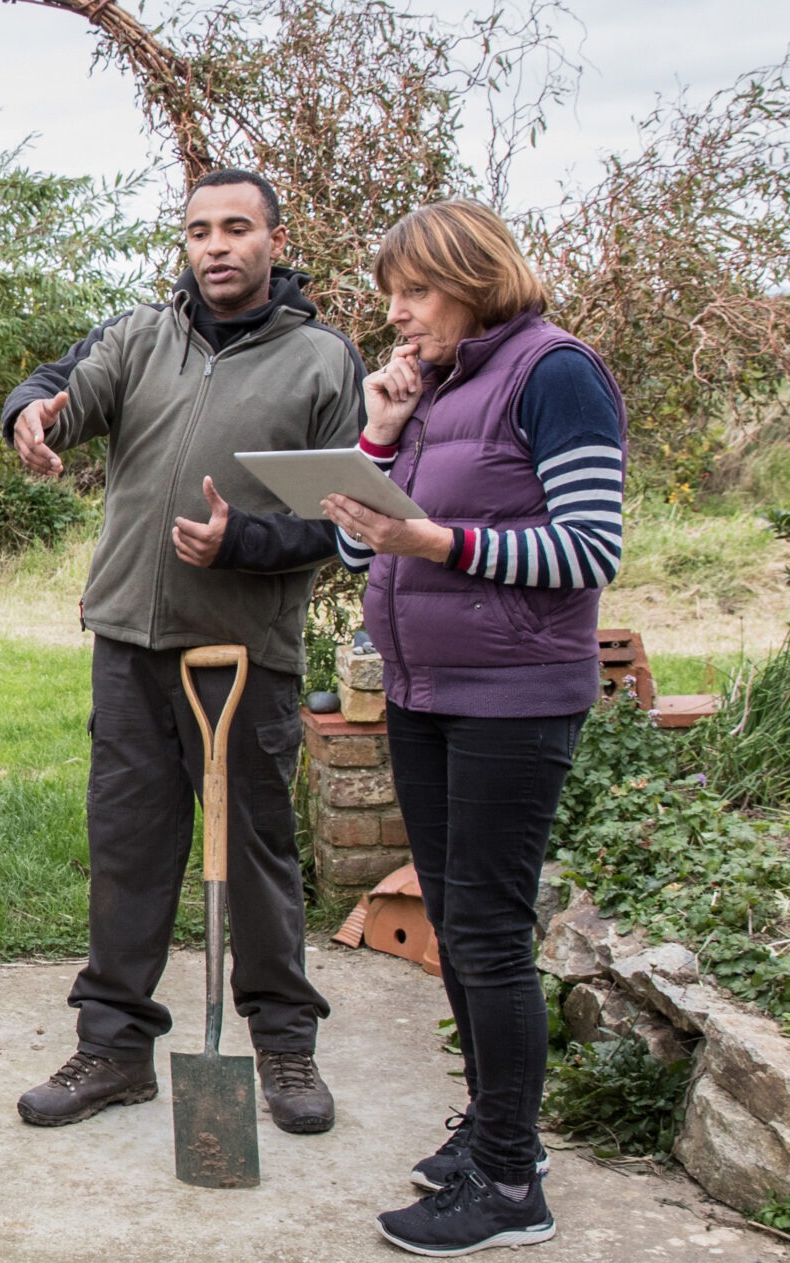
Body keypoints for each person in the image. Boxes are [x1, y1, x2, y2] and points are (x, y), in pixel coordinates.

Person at [1, 168, 365, 1134]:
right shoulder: (138, 337)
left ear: (274, 241)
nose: (215, 246)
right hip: (128, 642)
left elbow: (344, 523)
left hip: (245, 652)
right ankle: (114, 1049)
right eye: (199, 230)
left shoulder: (327, 363)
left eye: (236, 228)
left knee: (256, 852)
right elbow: (54, 390)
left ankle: (285, 1047)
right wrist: (31, 420)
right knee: (127, 847)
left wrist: (241, 540)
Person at [322, 199, 625, 1257]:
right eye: (391, 299)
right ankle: (501, 1137)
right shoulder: (441, 389)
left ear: (473, 278)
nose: (397, 318)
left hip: (514, 699)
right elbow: (366, 556)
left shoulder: (555, 373)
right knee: (462, 928)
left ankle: (507, 1187)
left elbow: (589, 549)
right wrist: (380, 436)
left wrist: (439, 540)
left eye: (414, 294)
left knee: (490, 935)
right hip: (424, 692)